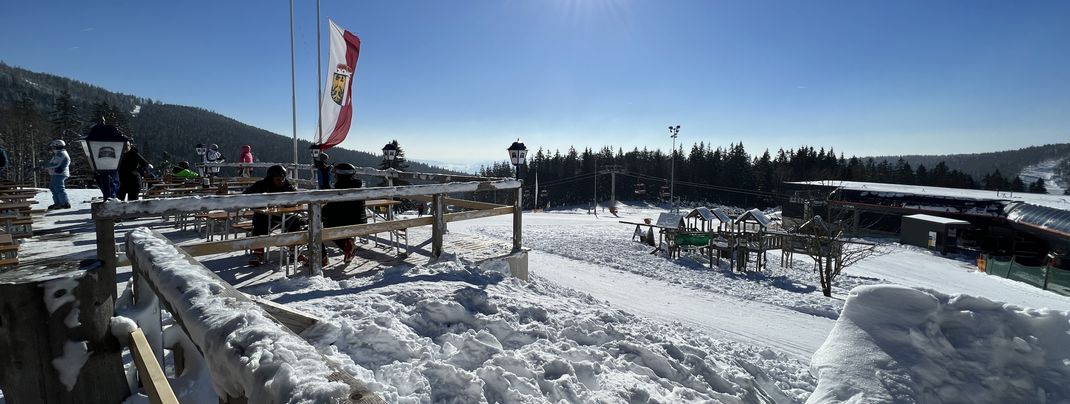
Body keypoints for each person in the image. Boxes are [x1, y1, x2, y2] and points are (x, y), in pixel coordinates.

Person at [243, 165, 301, 266]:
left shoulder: (287, 186)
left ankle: (293, 249)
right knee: (260, 220)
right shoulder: (261, 185)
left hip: (282, 214)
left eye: (283, 179)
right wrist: (257, 203)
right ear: (271, 178)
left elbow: (296, 198)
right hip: (264, 214)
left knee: (295, 220)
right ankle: (258, 252)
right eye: (278, 179)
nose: (281, 181)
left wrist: (292, 202)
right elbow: (245, 195)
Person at [319, 163, 365, 264]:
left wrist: (320, 214)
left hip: (343, 224)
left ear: (338, 176)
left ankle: (322, 257)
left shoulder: (339, 190)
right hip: (360, 223)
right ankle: (348, 245)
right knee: (330, 223)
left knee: (320, 226)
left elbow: (329, 209)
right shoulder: (358, 188)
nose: (334, 177)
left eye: (335, 175)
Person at [41, 139, 71, 210]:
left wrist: (45, 166)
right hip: (56, 173)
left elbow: (56, 164)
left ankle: (64, 203)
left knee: (58, 188)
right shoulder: (59, 154)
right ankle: (58, 202)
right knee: (53, 187)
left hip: (59, 174)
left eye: (53, 147)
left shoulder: (61, 154)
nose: (52, 148)